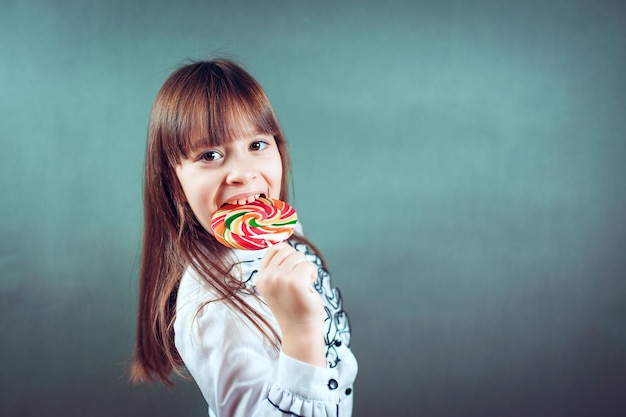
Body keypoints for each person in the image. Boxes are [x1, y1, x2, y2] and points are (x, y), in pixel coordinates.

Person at [130, 58, 358, 416]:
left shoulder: (282, 233)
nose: (242, 173)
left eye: (257, 145)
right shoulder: (211, 308)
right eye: (210, 154)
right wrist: (300, 330)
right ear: (175, 181)